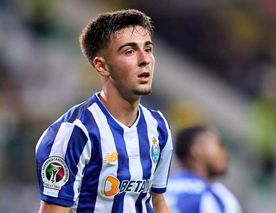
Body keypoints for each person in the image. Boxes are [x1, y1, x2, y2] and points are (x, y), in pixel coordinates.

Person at [35, 9, 173, 213]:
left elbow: (157, 201)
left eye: (148, 49)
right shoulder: (74, 134)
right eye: (129, 51)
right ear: (102, 66)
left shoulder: (158, 126)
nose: (145, 59)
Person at [166, 125, 242, 213]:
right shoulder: (215, 196)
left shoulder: (157, 189)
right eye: (218, 145)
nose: (225, 153)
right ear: (197, 151)